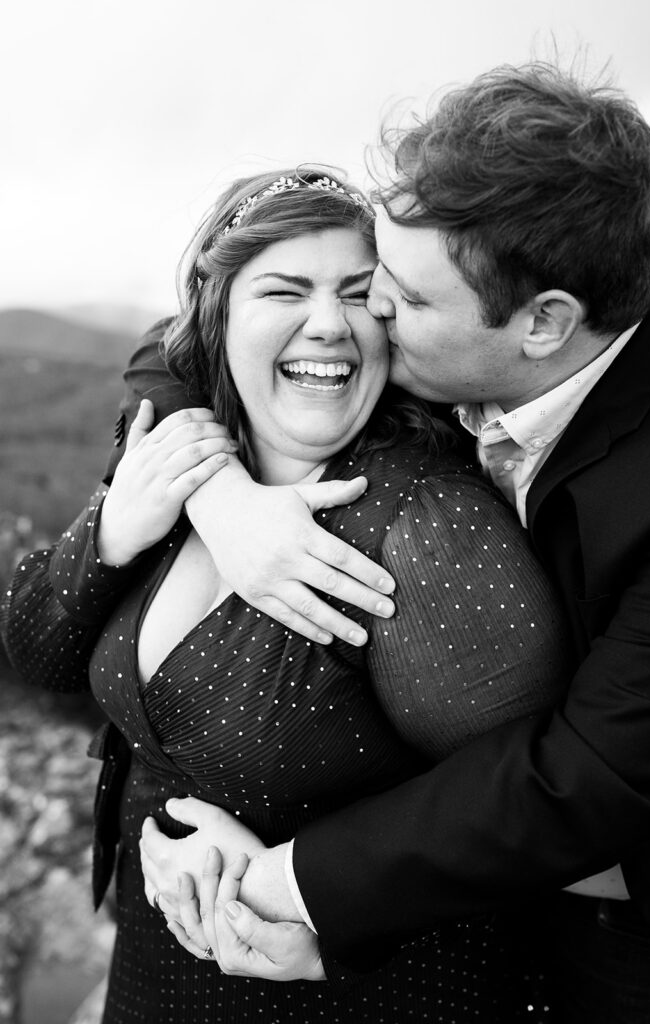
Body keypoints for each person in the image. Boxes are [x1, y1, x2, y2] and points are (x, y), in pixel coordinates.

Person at [117, 64, 650, 1023]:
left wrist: (288, 886)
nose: (367, 313)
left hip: (639, 923)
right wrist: (219, 491)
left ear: (545, 323)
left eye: (405, 300)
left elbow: (588, 773)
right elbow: (186, 340)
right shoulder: (502, 296)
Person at [0, 167, 571, 1022]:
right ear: (217, 316)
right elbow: (37, 649)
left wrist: (326, 918)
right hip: (152, 975)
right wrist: (113, 532)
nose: (329, 324)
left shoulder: (425, 526)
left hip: (340, 995)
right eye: (284, 289)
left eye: (356, 294)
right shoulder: (179, 456)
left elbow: (530, 833)